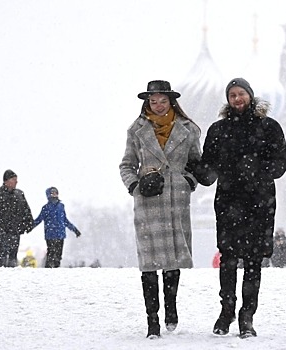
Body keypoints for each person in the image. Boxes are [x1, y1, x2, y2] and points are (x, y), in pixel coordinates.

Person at [189, 77, 286, 338]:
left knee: (253, 261)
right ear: (228, 99)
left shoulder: (268, 127)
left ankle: (247, 315)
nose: (237, 99)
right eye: (232, 95)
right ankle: (227, 310)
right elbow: (209, 170)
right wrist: (194, 167)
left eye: (241, 94)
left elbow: (280, 164)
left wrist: (257, 168)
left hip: (259, 202)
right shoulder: (218, 130)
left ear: (250, 96)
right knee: (228, 259)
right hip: (229, 202)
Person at [119, 80, 202, 338]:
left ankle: (171, 307)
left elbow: (196, 163)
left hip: (176, 198)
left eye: (161, 100)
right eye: (152, 101)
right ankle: (152, 320)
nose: (157, 105)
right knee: (149, 262)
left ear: (171, 101)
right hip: (148, 199)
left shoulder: (188, 130)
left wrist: (189, 181)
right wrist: (135, 185)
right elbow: (126, 164)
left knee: (173, 258)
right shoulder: (137, 130)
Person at [0, 170, 34, 267]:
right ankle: (2, 272)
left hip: (15, 228)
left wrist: (29, 223)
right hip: (1, 228)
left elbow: (26, 210)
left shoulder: (19, 194)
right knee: (3, 251)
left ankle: (12, 274)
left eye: (16, 180)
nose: (16, 182)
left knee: (13, 252)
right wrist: (0, 218)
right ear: (6, 181)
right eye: (14, 179)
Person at [31, 187, 81, 268]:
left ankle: (56, 271)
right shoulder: (46, 208)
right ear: (48, 195)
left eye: (55, 193)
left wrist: (74, 230)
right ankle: (48, 270)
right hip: (50, 235)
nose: (54, 195)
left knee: (58, 255)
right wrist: (30, 226)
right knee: (51, 254)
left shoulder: (61, 206)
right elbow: (39, 219)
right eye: (52, 193)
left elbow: (65, 220)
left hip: (60, 234)